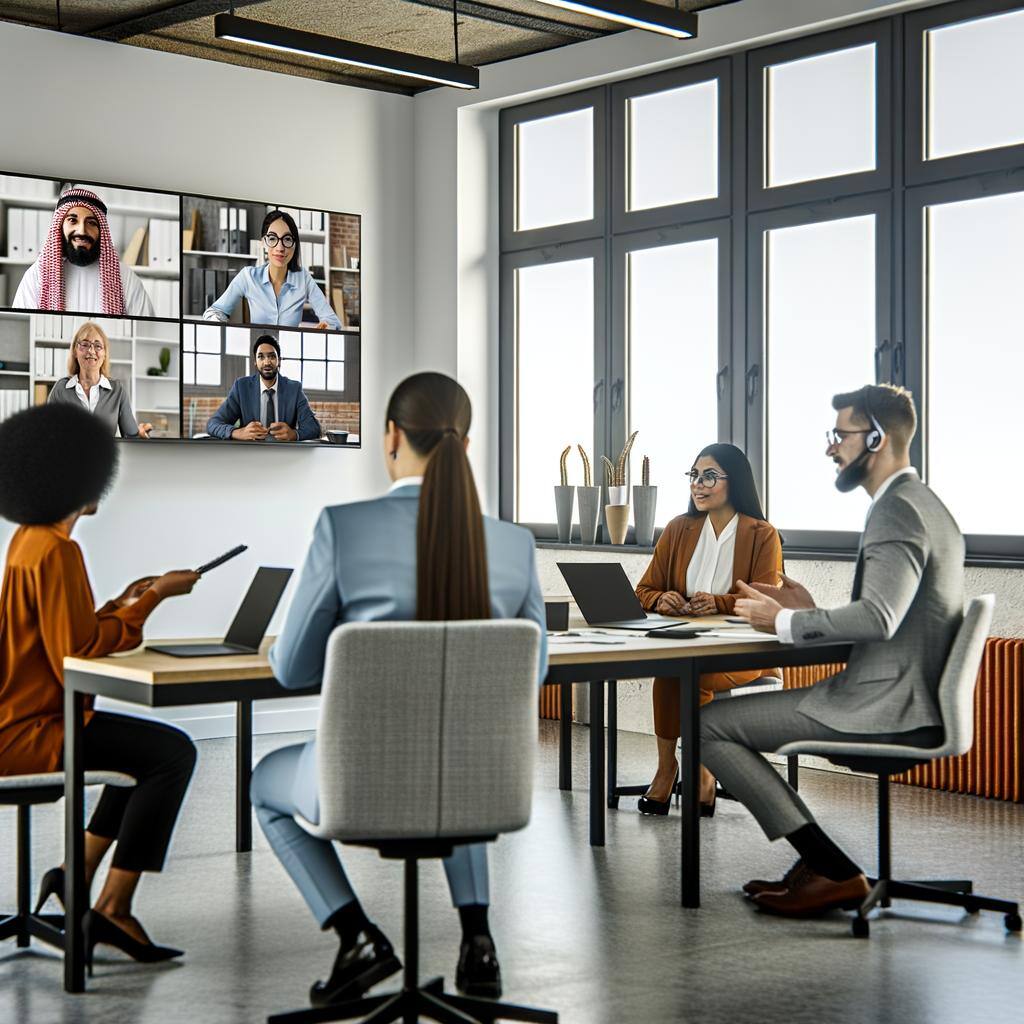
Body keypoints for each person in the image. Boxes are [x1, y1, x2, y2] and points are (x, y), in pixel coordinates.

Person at [249, 371, 547, 1009]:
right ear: (465, 446)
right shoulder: (515, 546)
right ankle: (478, 940)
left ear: (390, 438)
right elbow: (532, 675)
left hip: (357, 789)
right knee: (455, 752)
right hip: (484, 789)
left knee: (264, 782)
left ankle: (356, 937)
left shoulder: (342, 529)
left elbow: (293, 670)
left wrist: (285, 644)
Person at [703, 384, 961, 917]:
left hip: (882, 706)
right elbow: (896, 619)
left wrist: (786, 619)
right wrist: (809, 607)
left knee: (706, 725)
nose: (831, 448)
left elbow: (878, 618)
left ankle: (831, 868)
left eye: (840, 436)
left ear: (876, 438)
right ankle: (822, 866)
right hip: (909, 696)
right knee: (713, 720)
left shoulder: (896, 512)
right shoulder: (929, 507)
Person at [0, 403, 201, 963]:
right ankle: (112, 907)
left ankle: (74, 875)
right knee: (170, 754)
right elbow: (78, 653)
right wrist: (156, 599)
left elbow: (71, 630)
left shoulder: (29, 539)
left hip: (17, 721)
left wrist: (124, 602)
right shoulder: (58, 549)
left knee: (141, 753)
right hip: (32, 734)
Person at [634, 443, 782, 816]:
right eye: (695, 476)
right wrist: (660, 599)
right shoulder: (678, 530)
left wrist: (719, 603)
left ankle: (700, 772)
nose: (699, 485)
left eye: (710, 476)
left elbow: (766, 599)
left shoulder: (762, 534)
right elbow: (643, 589)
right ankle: (668, 771)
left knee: (690, 672)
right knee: (671, 671)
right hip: (686, 642)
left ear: (735, 482)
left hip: (743, 651)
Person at [12, 186, 155, 317]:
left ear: (101, 231)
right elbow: (22, 327)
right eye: (73, 220)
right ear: (60, 227)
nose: (82, 231)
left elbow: (147, 329)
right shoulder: (37, 275)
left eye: (91, 223)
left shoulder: (125, 278)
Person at [202, 209, 341, 329]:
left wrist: (325, 328)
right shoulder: (248, 276)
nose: (280, 248)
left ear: (294, 245)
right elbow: (212, 312)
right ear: (263, 242)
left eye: (287, 239)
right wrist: (223, 328)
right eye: (272, 238)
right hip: (258, 351)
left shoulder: (303, 278)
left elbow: (333, 321)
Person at [205, 334, 321, 441]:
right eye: (261, 357)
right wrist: (237, 433)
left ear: (279, 361)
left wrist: (294, 434)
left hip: (284, 455)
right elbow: (213, 424)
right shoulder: (242, 387)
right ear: (255, 362)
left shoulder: (294, 389)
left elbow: (314, 428)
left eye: (271, 356)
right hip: (250, 455)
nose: (266, 362)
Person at [47, 321, 152, 438]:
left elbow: (131, 436)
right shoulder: (61, 389)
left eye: (98, 346)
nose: (91, 351)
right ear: (75, 351)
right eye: (85, 344)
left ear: (105, 354)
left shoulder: (117, 390)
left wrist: (140, 434)